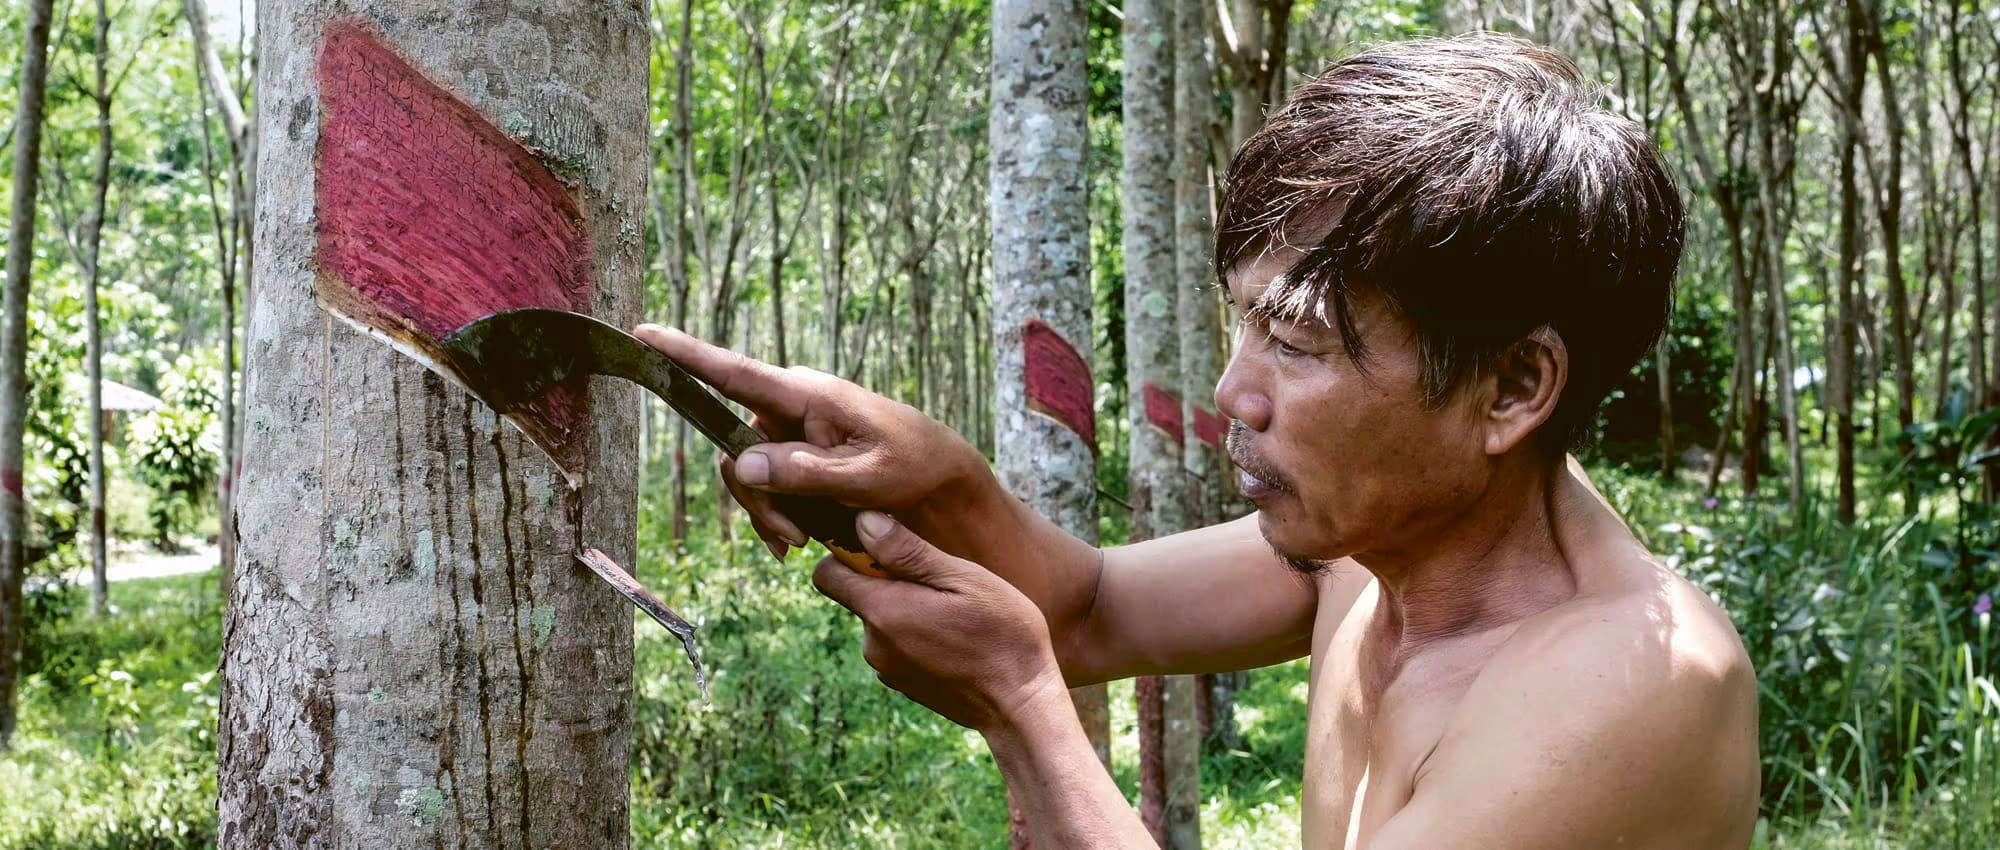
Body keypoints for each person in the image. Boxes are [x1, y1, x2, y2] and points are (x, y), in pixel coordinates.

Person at [636, 33, 1759, 849]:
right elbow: (1088, 608)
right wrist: (937, 478)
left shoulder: (1621, 691)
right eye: (1242, 323)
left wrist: (1024, 712)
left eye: (1299, 344)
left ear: (1512, 384)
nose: (1233, 389)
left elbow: (1046, 651)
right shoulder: (1369, 555)